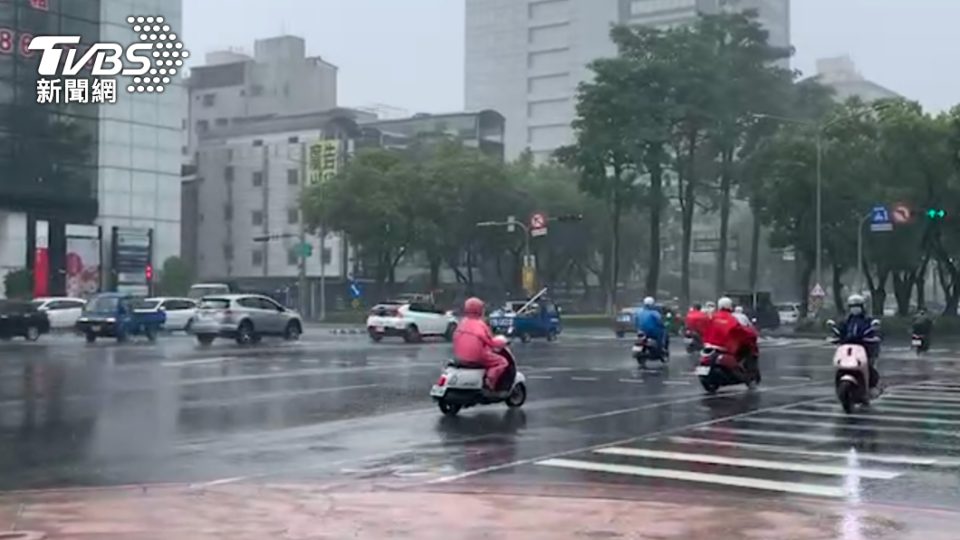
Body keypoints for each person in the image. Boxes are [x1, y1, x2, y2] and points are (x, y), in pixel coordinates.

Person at [452, 297, 509, 391]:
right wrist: (503, 342)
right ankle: (490, 380)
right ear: (479, 310)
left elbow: (455, 337)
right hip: (477, 356)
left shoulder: (462, 322)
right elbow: (491, 342)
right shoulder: (480, 325)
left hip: (459, 356)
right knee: (502, 362)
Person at [834, 294, 881, 394]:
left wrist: (872, 338)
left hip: (864, 348)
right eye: (852, 306)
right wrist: (837, 337)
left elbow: (874, 332)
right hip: (847, 349)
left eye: (857, 306)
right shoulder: (846, 321)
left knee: (869, 366)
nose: (855, 309)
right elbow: (840, 331)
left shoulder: (868, 320)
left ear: (863, 307)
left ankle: (871, 386)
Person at [703, 297, 758, 373]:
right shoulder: (730, 318)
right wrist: (751, 333)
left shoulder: (712, 317)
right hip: (723, 346)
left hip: (708, 345)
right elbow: (739, 329)